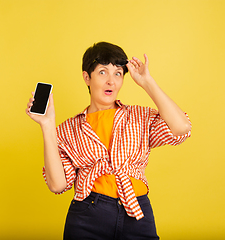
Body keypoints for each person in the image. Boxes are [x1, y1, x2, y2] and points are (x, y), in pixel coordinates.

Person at [26, 42, 191, 240]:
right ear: (87, 77)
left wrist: (147, 82)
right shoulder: (68, 129)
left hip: (137, 211)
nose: (111, 81)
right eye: (103, 72)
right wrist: (47, 125)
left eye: (118, 73)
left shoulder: (139, 116)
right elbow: (58, 185)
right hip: (88, 215)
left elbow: (181, 128)